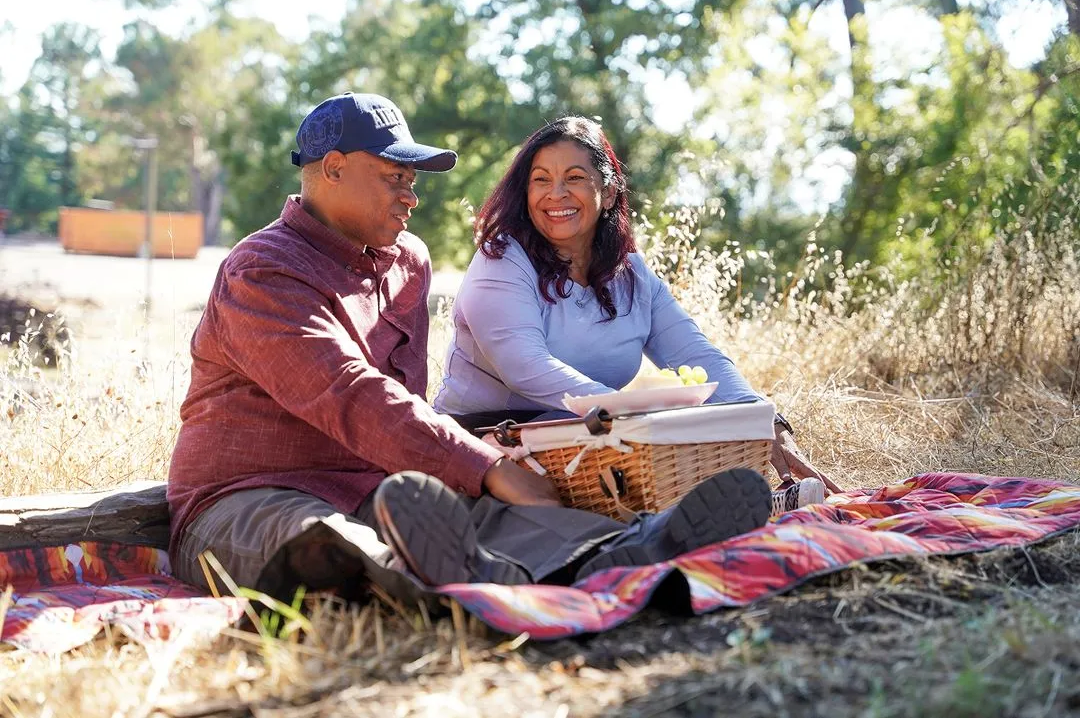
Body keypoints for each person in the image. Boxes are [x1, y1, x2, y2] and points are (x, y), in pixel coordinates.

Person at [166, 93, 775, 601]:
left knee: (511, 518)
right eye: (394, 177)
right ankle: (463, 590)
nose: (411, 195)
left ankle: (632, 550)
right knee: (330, 545)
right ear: (332, 169)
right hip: (250, 498)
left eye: (413, 180)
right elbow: (347, 392)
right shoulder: (263, 271)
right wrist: (483, 467)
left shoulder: (408, 261)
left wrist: (475, 476)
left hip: (382, 487)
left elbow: (406, 401)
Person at [433, 116, 838, 511]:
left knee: (704, 419)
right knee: (657, 436)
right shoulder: (502, 260)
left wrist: (764, 422)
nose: (555, 193)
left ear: (608, 193)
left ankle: (751, 505)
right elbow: (524, 365)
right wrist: (632, 417)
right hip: (491, 442)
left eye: (574, 178)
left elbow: (698, 355)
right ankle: (728, 511)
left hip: (593, 436)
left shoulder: (632, 275)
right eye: (541, 179)